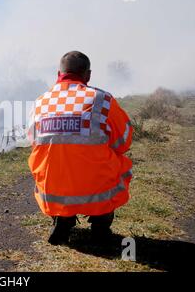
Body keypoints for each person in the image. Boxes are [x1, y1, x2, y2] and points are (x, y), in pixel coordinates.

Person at [27, 51, 133, 244]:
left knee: (49, 161)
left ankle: (62, 219)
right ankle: (100, 225)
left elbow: (34, 141)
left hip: (54, 190)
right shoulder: (102, 100)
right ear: (88, 75)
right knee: (121, 163)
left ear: (58, 73)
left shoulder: (40, 102)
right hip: (95, 188)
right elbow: (123, 142)